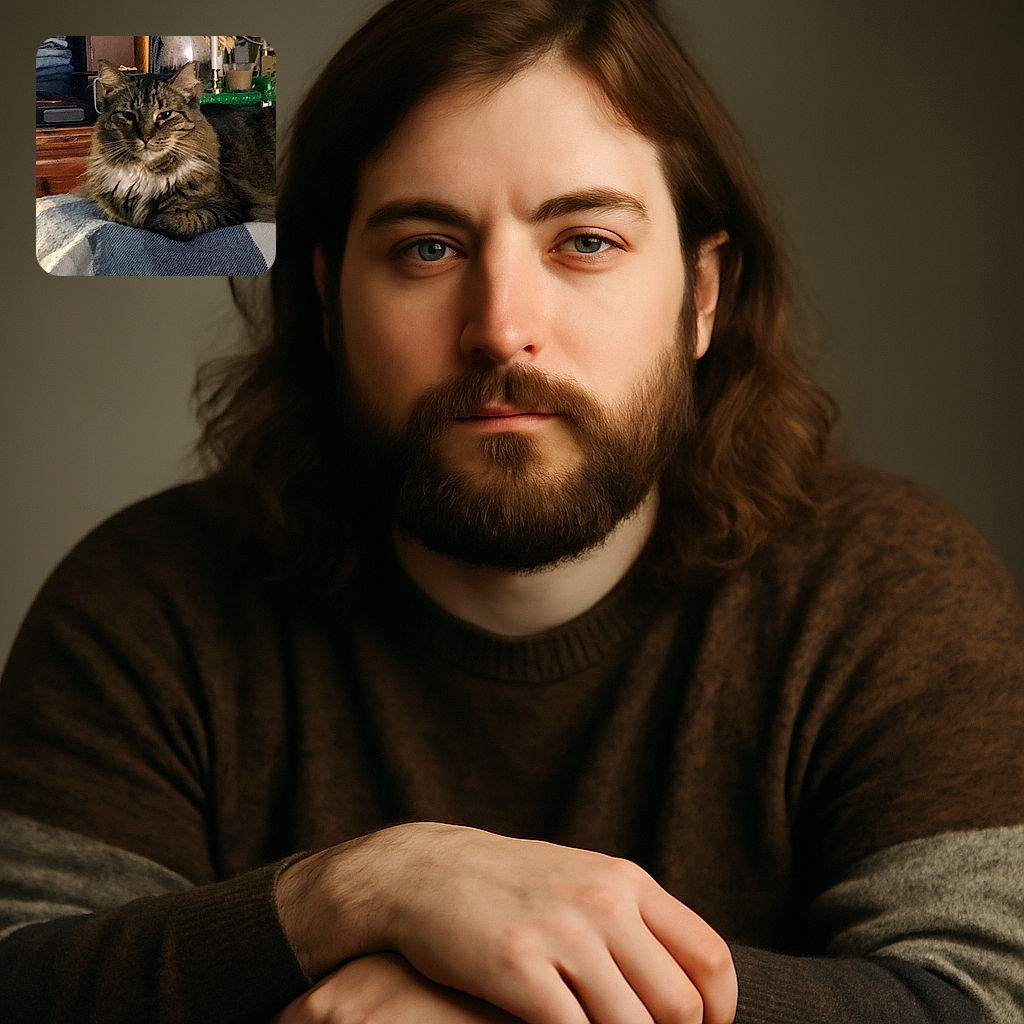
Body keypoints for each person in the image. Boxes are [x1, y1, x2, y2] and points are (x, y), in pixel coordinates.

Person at [2, 1, 1022, 1021]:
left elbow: (981, 997)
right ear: (324, 299)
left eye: (584, 240)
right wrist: (363, 889)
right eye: (426, 250)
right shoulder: (147, 600)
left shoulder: (887, 587)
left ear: (701, 294)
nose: (500, 329)